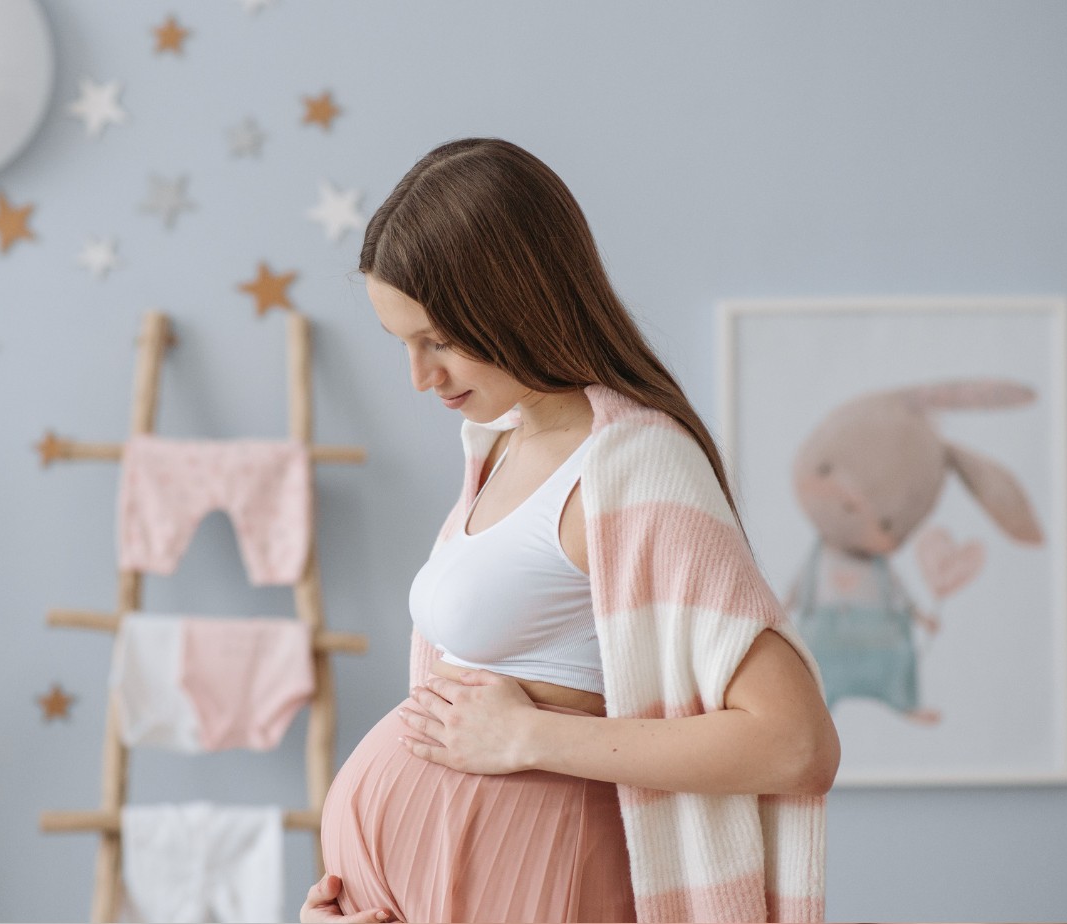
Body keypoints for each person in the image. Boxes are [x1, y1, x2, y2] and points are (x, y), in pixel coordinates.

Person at [301, 138, 840, 924]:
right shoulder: (504, 445)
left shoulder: (637, 466)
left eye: (439, 341)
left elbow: (796, 745)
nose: (420, 378)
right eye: (404, 345)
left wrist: (530, 739)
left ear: (515, 301)